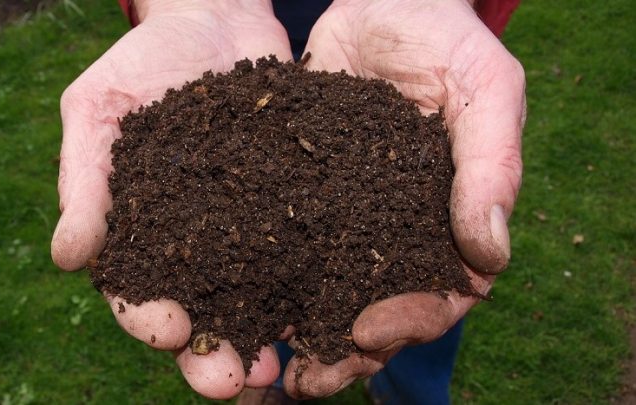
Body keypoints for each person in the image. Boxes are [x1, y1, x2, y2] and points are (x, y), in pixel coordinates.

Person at [51, 0, 526, 402]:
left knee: (415, 321)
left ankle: (406, 393)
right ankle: (274, 364)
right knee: (264, 312)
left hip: (388, 26)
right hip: (233, 19)